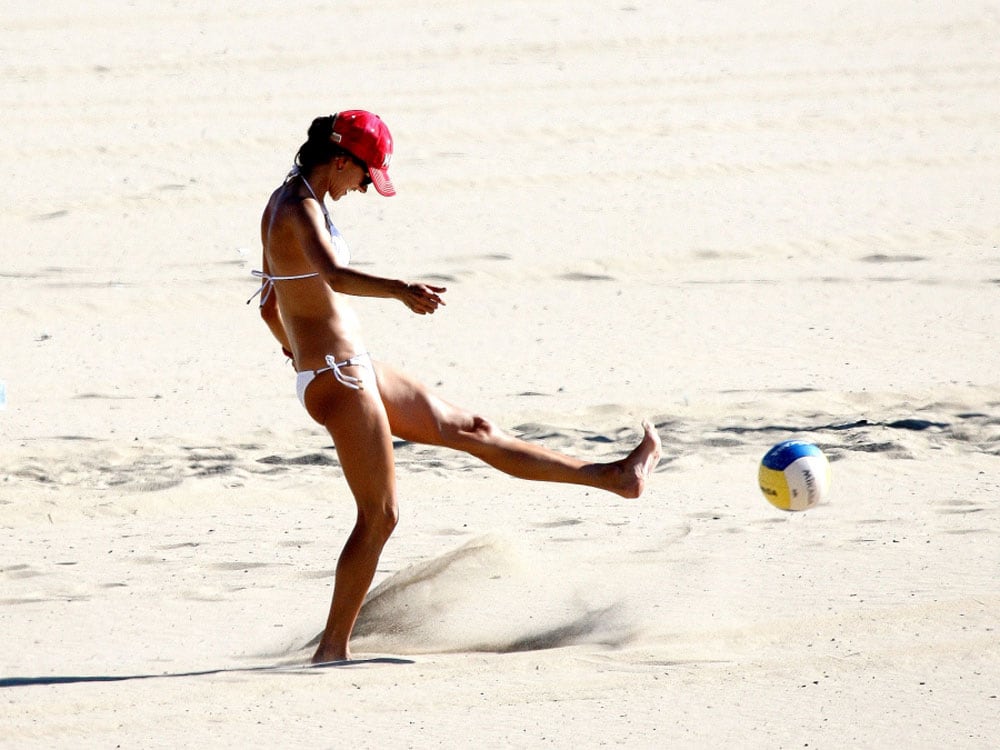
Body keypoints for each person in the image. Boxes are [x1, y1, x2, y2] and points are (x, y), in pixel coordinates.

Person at [251, 110, 662, 663]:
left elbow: (272, 304)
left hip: (349, 368)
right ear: (342, 159)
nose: (368, 187)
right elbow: (334, 276)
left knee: (473, 428)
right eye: (367, 175)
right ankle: (332, 649)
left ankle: (616, 478)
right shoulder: (298, 208)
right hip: (340, 377)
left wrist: (293, 347)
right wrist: (398, 291)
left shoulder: (294, 199)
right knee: (381, 516)